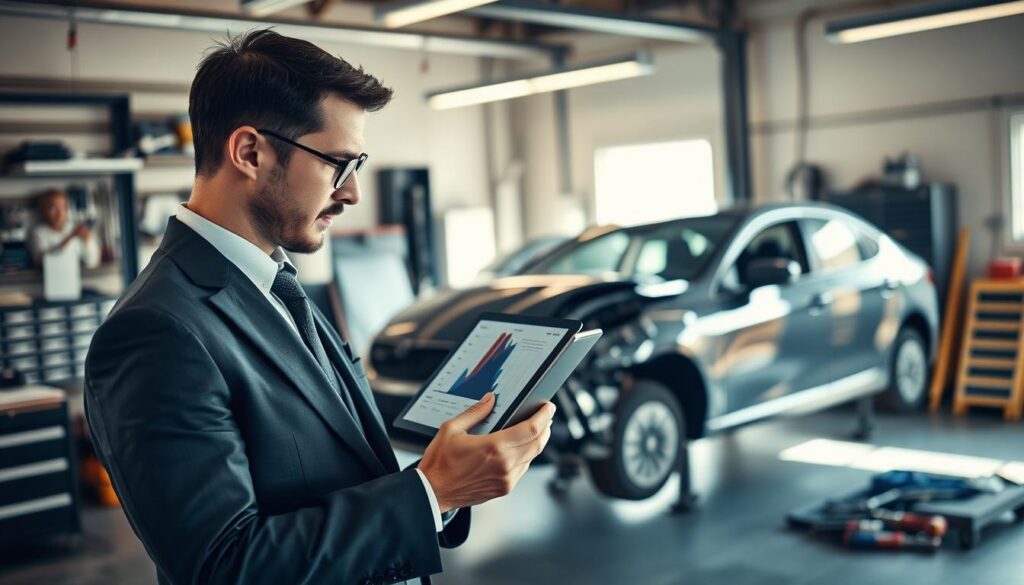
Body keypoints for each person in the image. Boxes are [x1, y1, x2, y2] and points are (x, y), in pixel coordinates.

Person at [84, 29, 555, 585]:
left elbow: (345, 460)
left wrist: (446, 477)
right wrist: (431, 492)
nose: (352, 192)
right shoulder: (155, 330)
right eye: (339, 163)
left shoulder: (276, 281)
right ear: (250, 152)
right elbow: (225, 567)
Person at [30, 188, 100, 268]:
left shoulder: (74, 228)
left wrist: (87, 241)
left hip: (75, 277)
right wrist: (70, 238)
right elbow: (42, 261)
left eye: (63, 207)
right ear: (43, 210)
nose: (59, 213)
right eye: (53, 208)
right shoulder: (37, 233)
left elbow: (92, 262)